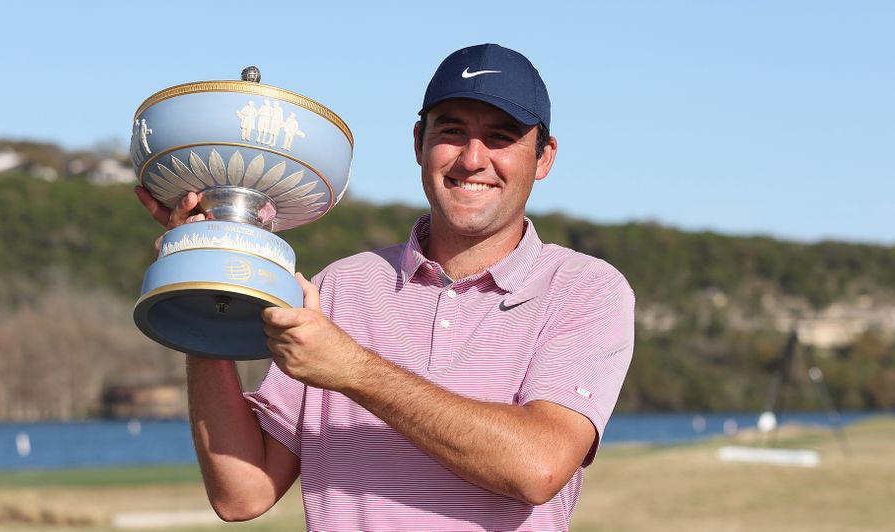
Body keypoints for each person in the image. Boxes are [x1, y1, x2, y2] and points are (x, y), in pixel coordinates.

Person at [134, 43, 635, 530]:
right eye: (453, 131)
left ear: (543, 157)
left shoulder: (586, 289)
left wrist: (352, 369)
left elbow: (538, 467)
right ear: (419, 141)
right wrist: (202, 279)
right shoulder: (340, 287)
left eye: (501, 137)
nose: (472, 158)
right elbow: (241, 493)